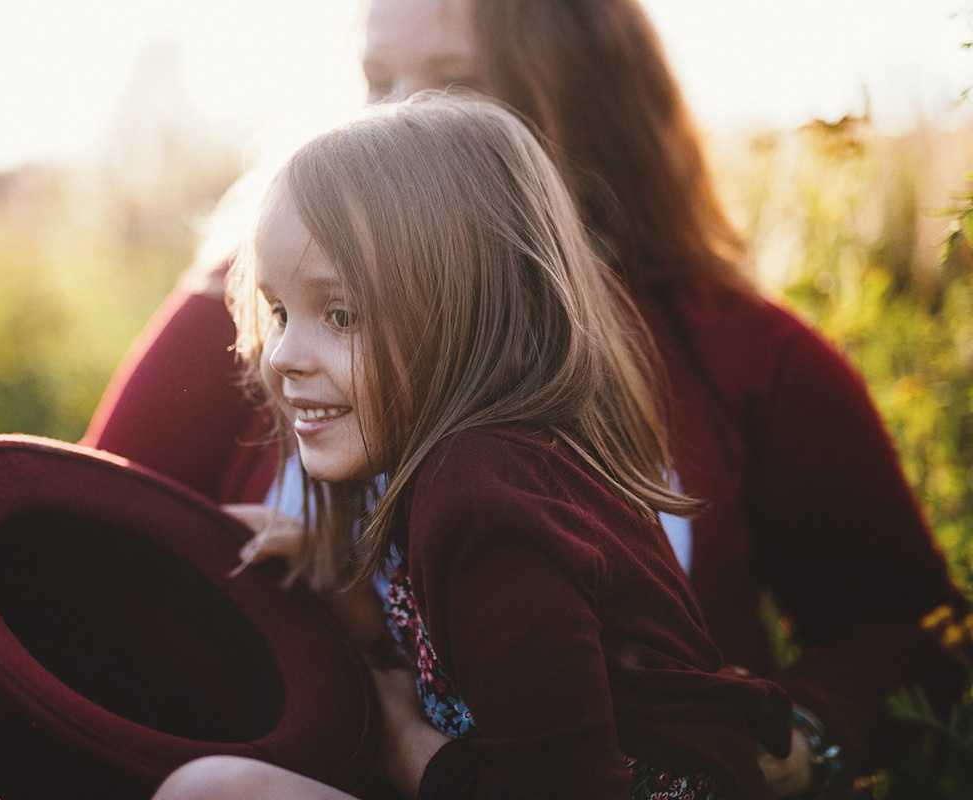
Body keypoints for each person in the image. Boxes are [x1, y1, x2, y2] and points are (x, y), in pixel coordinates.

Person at [82, 0, 970, 795]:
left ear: (584, 99)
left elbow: (915, 628)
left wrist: (784, 746)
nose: (394, 123)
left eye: (453, 87)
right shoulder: (244, 305)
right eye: (375, 79)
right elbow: (66, 555)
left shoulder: (736, 353)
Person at [154, 91, 793, 800]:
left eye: (340, 314)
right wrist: (334, 584)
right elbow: (464, 657)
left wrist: (401, 748)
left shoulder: (485, 495)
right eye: (277, 312)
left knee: (212, 793)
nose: (282, 357)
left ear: (470, 311)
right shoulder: (484, 467)